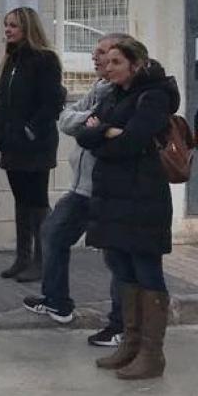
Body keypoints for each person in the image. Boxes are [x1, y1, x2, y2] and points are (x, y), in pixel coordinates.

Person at [76, 38, 178, 380]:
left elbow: (134, 143)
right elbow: (83, 134)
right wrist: (109, 132)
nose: (108, 67)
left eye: (116, 62)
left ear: (135, 64)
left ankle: (152, 353)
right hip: (114, 198)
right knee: (120, 266)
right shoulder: (114, 94)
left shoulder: (154, 96)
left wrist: (103, 134)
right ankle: (131, 344)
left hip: (142, 198)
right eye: (107, 61)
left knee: (146, 269)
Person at [24, 34, 130, 344]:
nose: (97, 60)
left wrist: (94, 123)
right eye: (97, 55)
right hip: (81, 187)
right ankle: (57, 302)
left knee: (116, 256)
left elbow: (95, 129)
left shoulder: (124, 93)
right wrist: (92, 119)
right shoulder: (99, 89)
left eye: (106, 56)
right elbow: (67, 121)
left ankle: (120, 324)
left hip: (107, 189)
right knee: (53, 233)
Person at [0, 6, 65, 282]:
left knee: (36, 201)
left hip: (35, 146)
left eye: (14, 26)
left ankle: (41, 260)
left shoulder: (44, 60)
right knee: (21, 201)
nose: (8, 30)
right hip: (12, 144)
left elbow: (51, 102)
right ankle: (22, 257)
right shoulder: (10, 60)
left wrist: (29, 131)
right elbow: (1, 100)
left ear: (28, 29)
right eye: (6, 25)